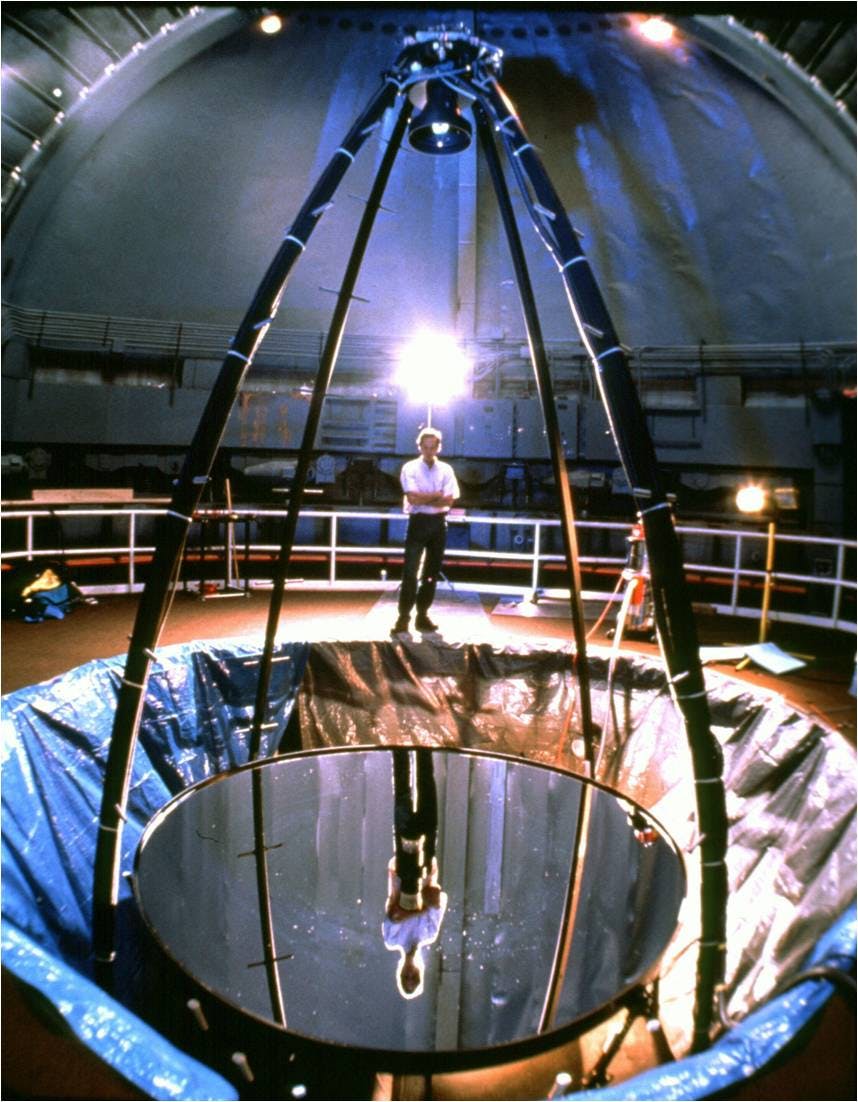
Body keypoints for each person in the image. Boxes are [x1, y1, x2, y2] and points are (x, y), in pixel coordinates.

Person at [392, 428, 459, 635]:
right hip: (418, 522)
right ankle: (403, 618)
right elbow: (412, 499)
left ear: (439, 447)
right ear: (419, 447)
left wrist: (425, 498)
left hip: (438, 524)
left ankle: (422, 616)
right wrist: (437, 495)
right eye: (425, 447)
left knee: (431, 574)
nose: (429, 451)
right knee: (410, 572)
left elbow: (449, 500)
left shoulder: (446, 469)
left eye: (433, 447)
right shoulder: (410, 468)